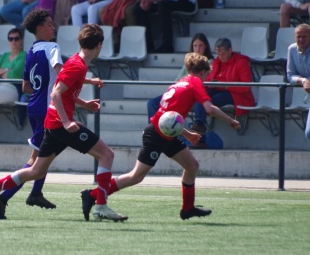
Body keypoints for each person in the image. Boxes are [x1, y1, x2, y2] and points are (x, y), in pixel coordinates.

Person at [0, 24, 128, 222]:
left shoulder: (77, 61)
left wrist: (84, 103)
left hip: (53, 123)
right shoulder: (78, 65)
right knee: (106, 155)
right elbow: (55, 93)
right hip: (60, 124)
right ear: (99, 45)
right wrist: (66, 122)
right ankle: (100, 205)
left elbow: (64, 90)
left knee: (36, 170)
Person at [80, 52, 240, 221]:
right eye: (206, 75)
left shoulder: (179, 83)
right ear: (203, 72)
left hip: (166, 133)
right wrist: (230, 120)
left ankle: (188, 208)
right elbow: (209, 108)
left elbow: (168, 117)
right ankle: (93, 194)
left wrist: (186, 133)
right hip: (157, 135)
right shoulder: (195, 82)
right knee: (136, 176)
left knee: (192, 165)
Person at [0, 9, 63, 220]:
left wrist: (42, 90)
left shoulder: (30, 52)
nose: (53, 26)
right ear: (40, 29)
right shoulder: (52, 47)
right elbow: (63, 73)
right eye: (49, 24)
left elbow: (26, 87)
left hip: (33, 106)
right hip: (47, 109)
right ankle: (2, 197)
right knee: (36, 161)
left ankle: (36, 192)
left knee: (46, 153)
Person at [189, 37, 254, 145]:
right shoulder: (216, 62)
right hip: (217, 89)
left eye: (223, 53)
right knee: (201, 97)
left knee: (212, 100)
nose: (220, 56)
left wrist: (226, 86)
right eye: (218, 53)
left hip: (236, 94)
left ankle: (200, 128)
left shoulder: (241, 62)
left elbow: (246, 86)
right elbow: (208, 80)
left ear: (230, 50)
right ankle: (199, 125)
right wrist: (212, 83)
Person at [147, 33, 214, 122]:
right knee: (152, 103)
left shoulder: (210, 62)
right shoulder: (189, 62)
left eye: (200, 45)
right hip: (181, 92)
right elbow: (177, 80)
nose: (198, 49)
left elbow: (206, 80)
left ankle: (199, 126)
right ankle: (154, 127)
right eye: (195, 46)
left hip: (196, 93)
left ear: (206, 46)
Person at [286, 24, 310, 139]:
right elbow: (290, 75)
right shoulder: (292, 49)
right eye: (298, 36)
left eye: (304, 37)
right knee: (309, 133)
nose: (301, 40)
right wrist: (303, 80)